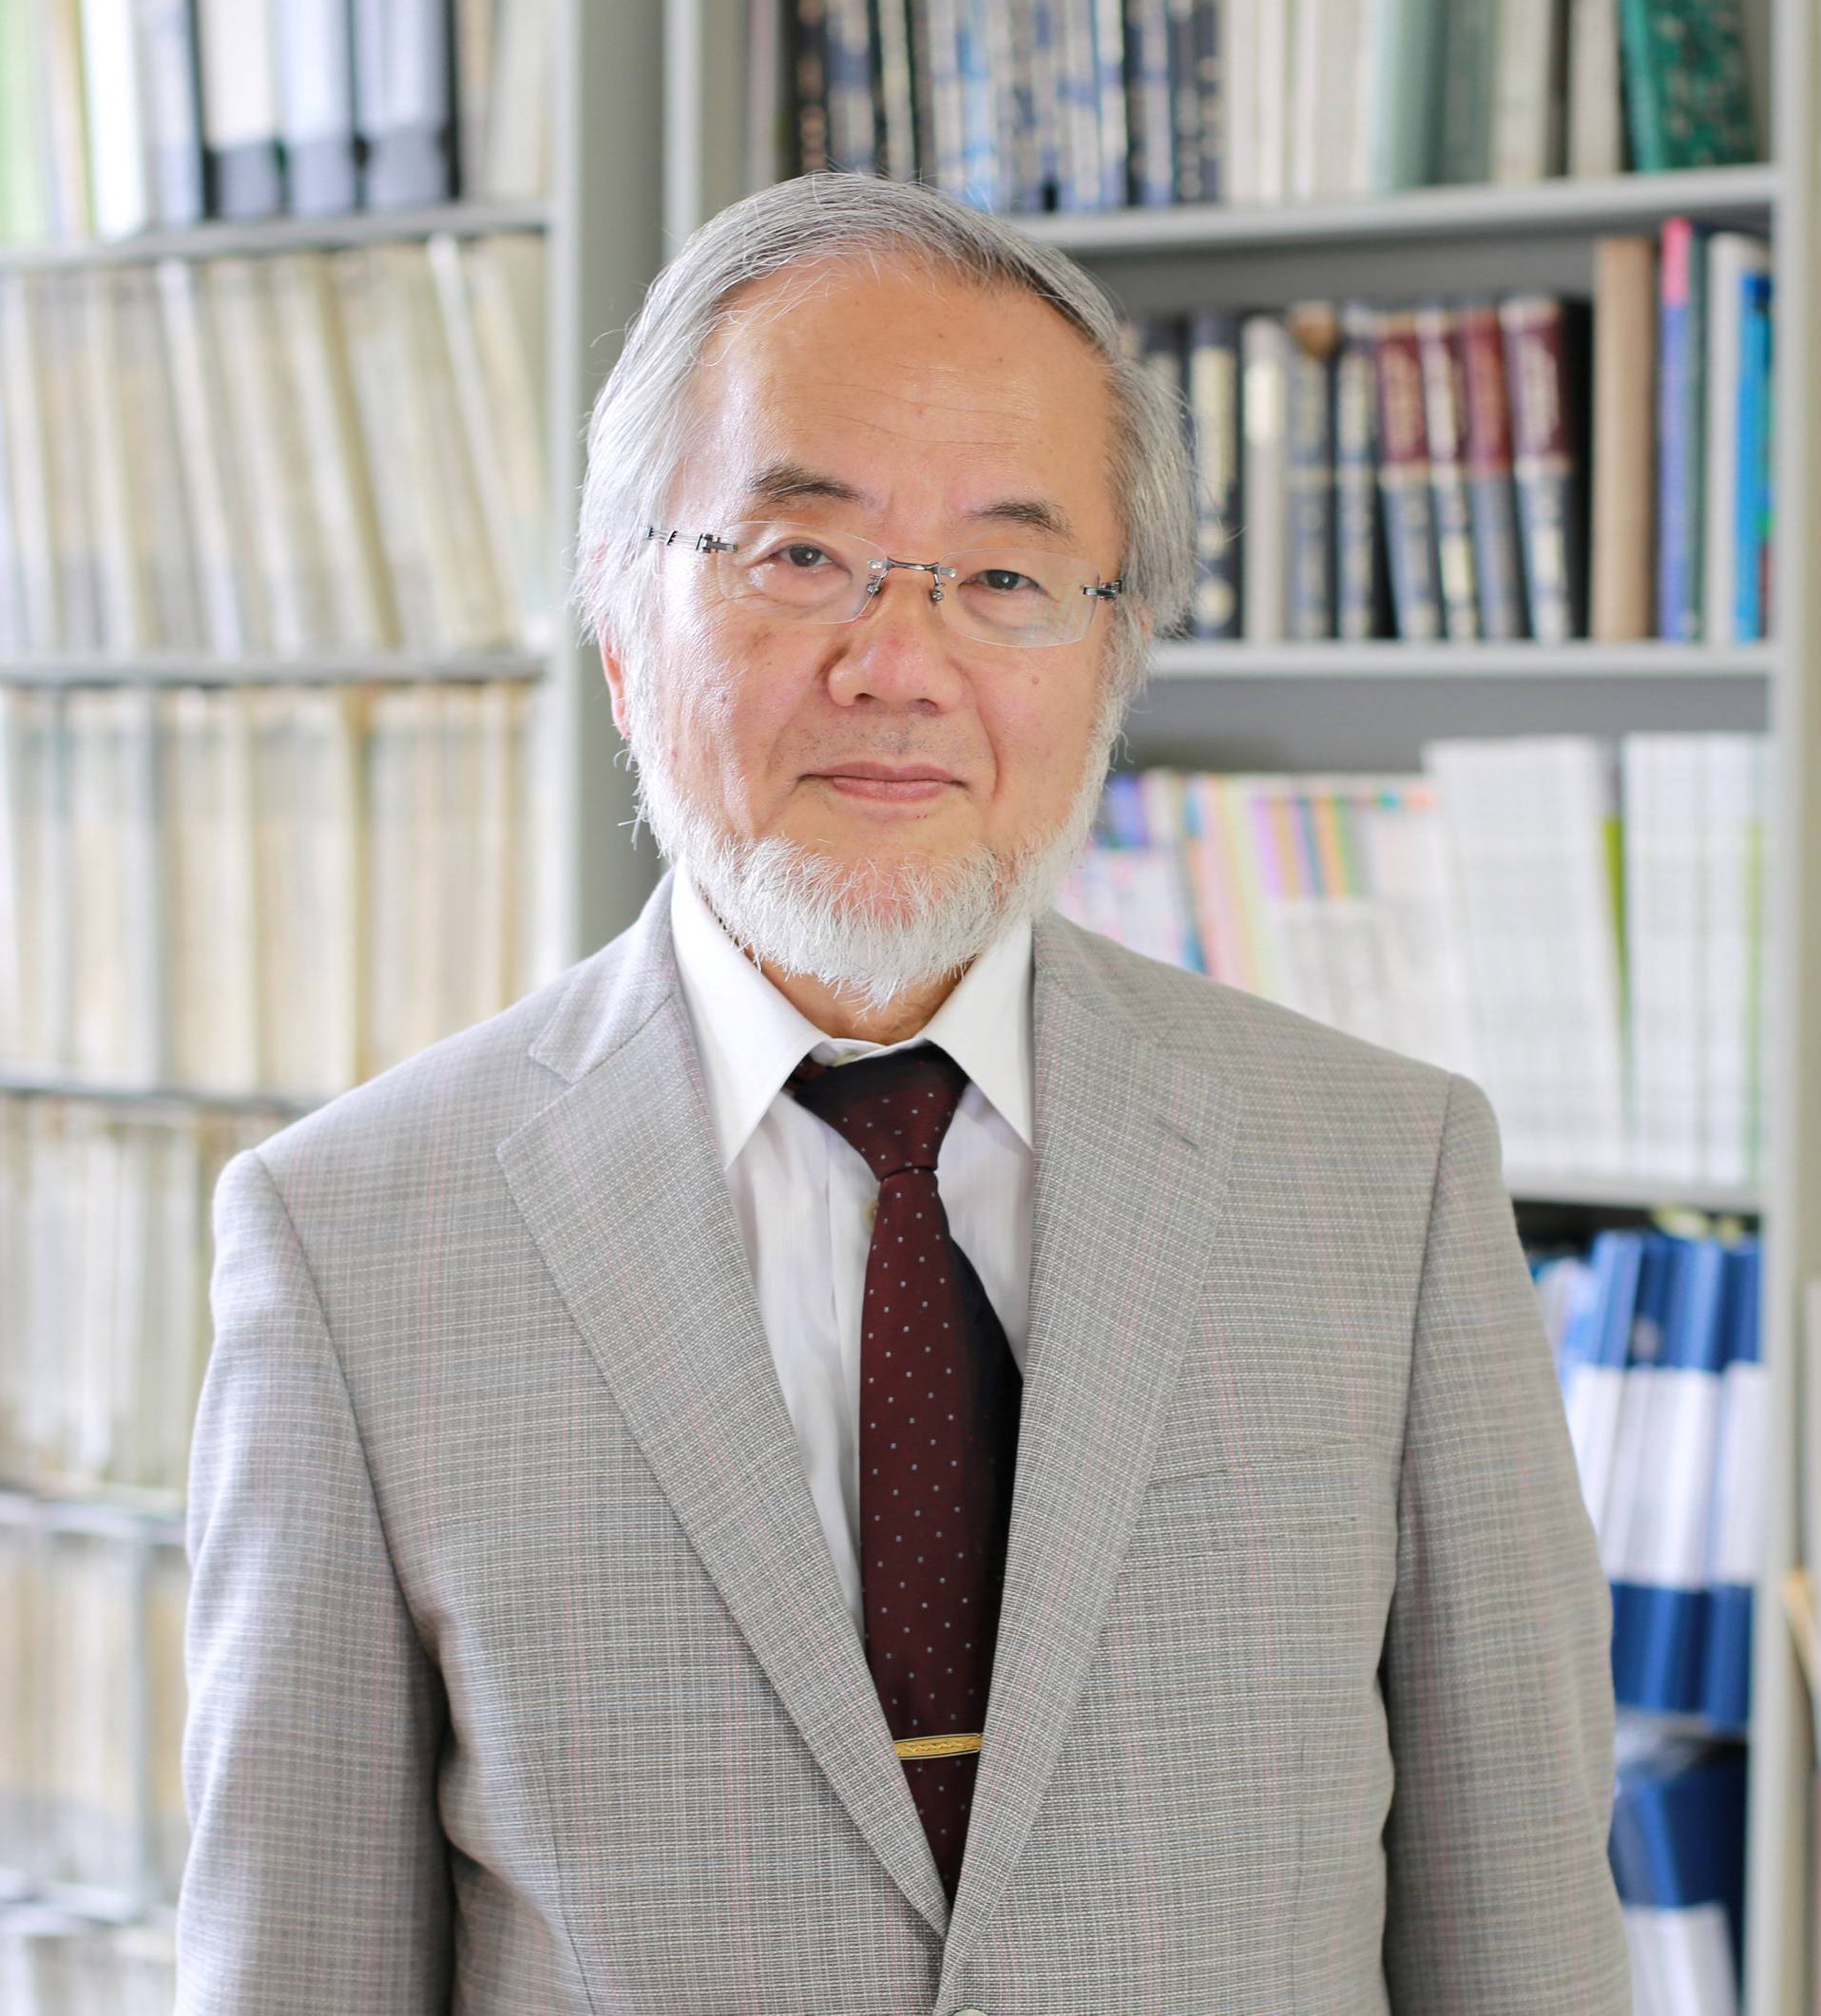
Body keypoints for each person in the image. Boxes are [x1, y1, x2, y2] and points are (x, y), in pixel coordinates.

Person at [179, 173, 1628, 2015]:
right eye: (801, 556)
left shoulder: (1388, 1181)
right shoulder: (353, 1242)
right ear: (623, 637)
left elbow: (1526, 1945)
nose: (901, 664)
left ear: (1110, 658)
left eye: (1009, 578)